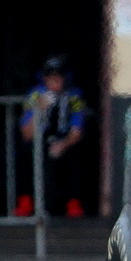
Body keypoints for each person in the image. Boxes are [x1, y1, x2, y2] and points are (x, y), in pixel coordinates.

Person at [16, 56, 87, 218]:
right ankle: (25, 201)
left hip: (64, 139)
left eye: (58, 76)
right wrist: (39, 110)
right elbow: (26, 133)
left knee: (76, 153)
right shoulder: (34, 95)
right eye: (50, 76)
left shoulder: (74, 96)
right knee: (25, 151)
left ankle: (73, 202)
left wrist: (63, 144)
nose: (54, 81)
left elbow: (77, 130)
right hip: (39, 139)